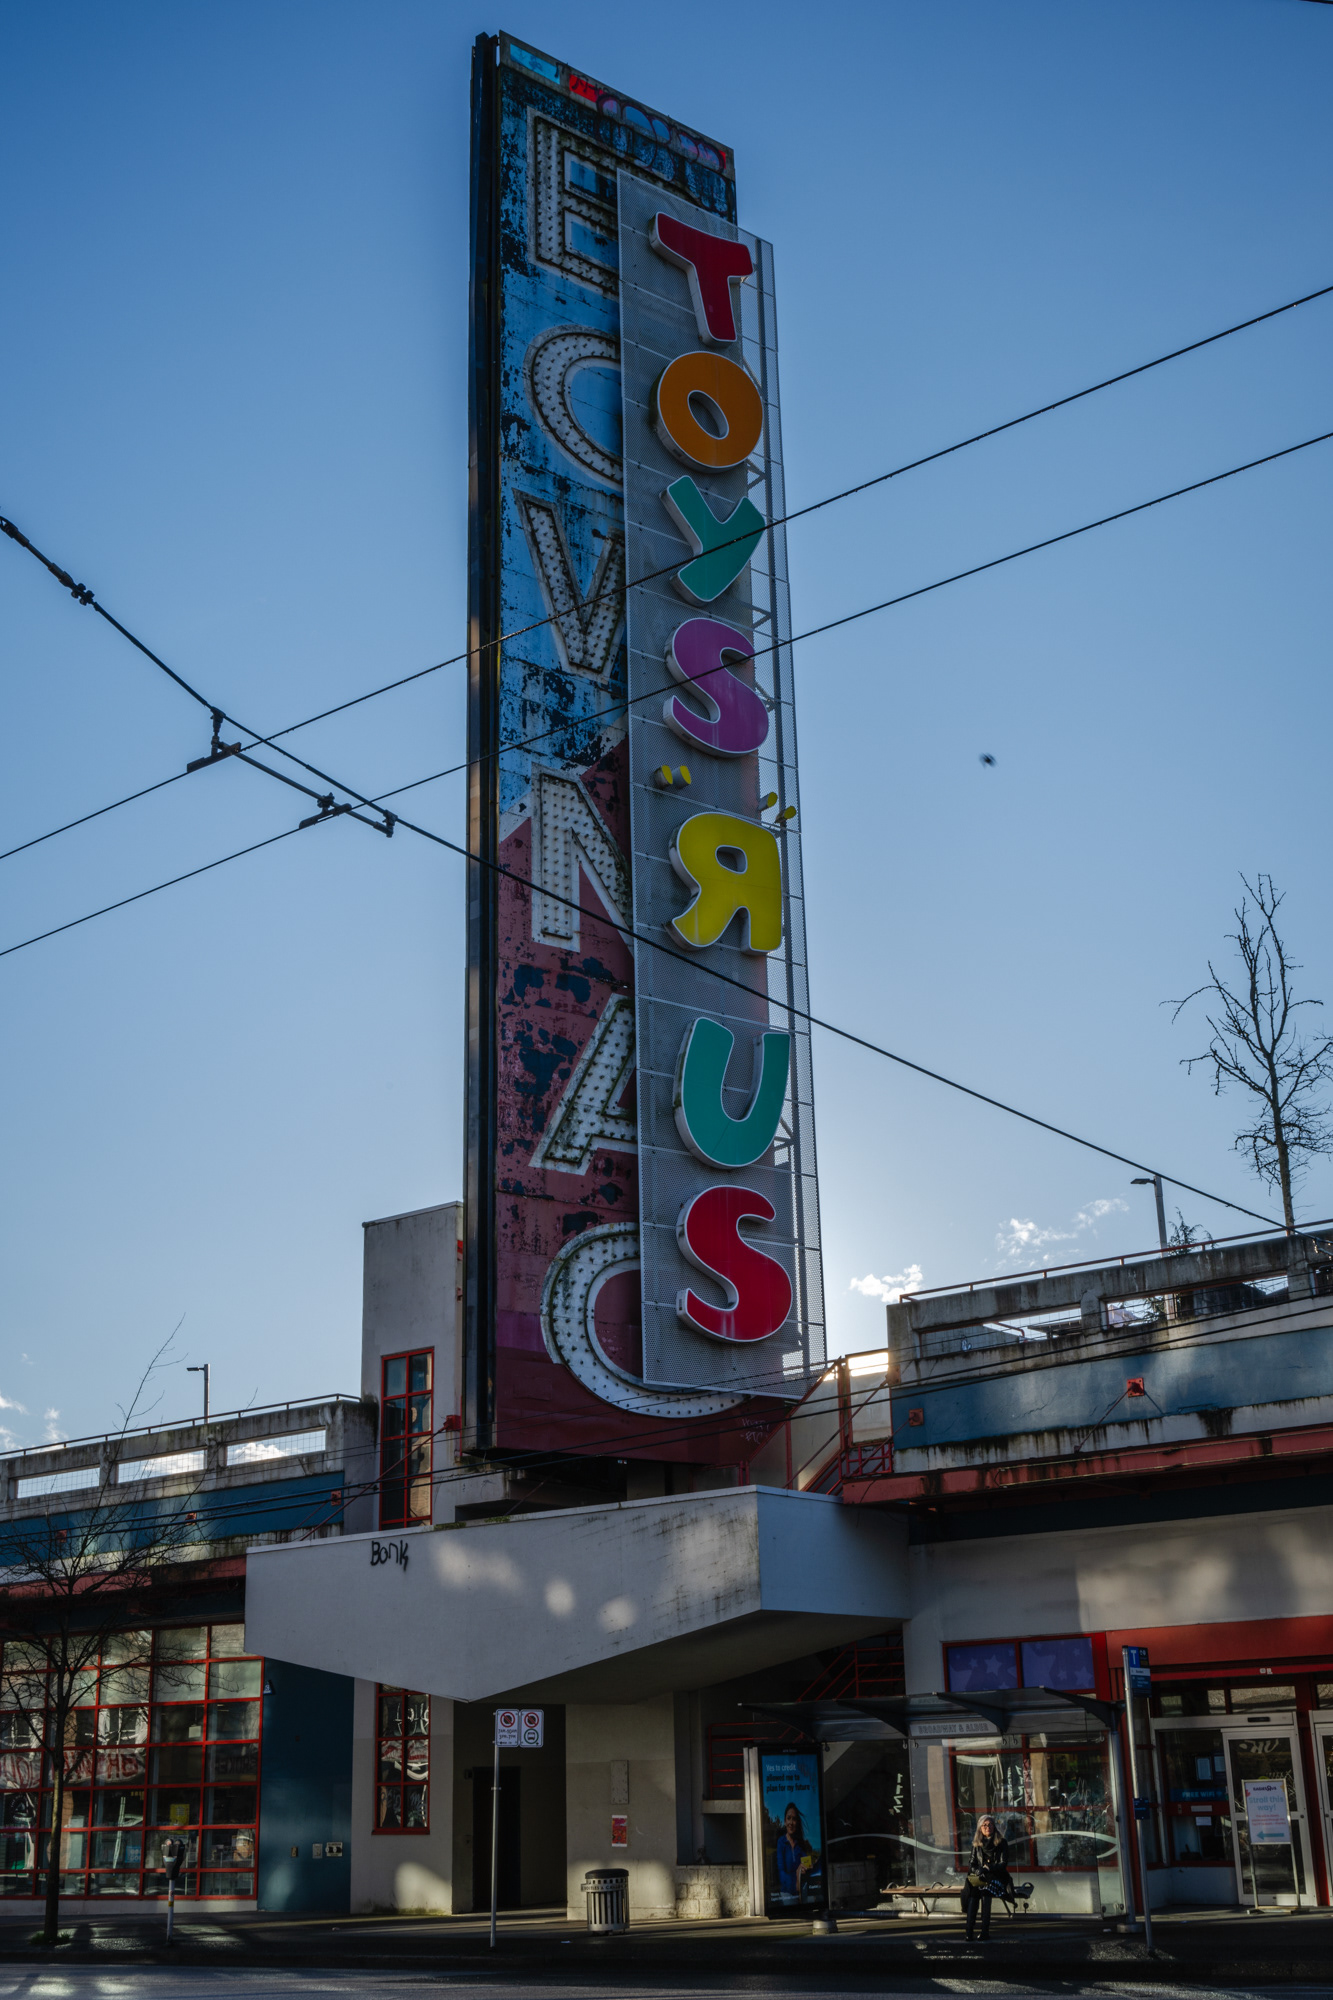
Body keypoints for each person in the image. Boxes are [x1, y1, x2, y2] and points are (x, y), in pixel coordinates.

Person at [961, 1813, 1008, 1940]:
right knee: (973, 1895)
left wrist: (989, 1868)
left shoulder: (1002, 1842)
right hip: (981, 1877)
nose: (987, 1827)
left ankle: (984, 1931)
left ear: (994, 1826)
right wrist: (977, 1871)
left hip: (996, 1877)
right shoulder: (977, 1843)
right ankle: (969, 1931)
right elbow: (971, 1863)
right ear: (980, 1828)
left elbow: (1003, 1864)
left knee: (985, 1894)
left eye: (990, 1824)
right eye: (984, 1825)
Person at [773, 1801, 816, 1904]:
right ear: (784, 1821)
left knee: (813, 1900)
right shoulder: (781, 1842)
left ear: (797, 1822)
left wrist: (808, 1866)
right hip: (787, 1892)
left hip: (801, 1889)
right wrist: (795, 1882)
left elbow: (806, 1864)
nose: (791, 1823)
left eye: (794, 1819)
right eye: (788, 1818)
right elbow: (781, 1871)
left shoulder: (800, 1844)